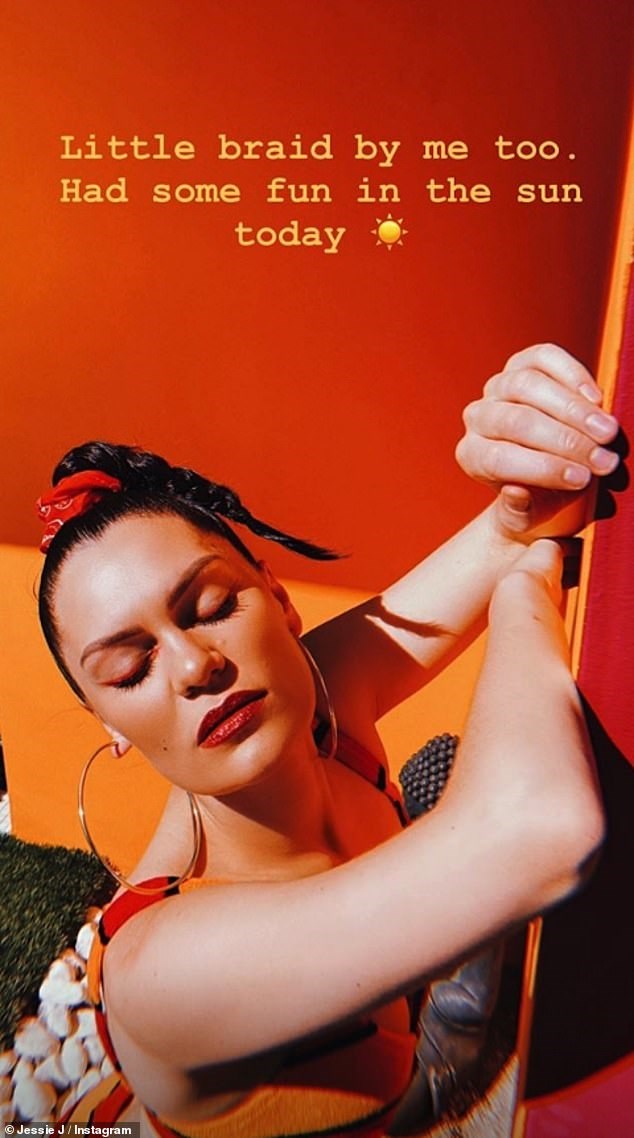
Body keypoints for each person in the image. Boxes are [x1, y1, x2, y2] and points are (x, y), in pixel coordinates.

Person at [35, 344, 619, 1137]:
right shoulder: (161, 973)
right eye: (131, 669)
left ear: (278, 599)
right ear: (106, 722)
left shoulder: (315, 703)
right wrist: (525, 582)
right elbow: (541, 831)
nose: (196, 666)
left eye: (211, 607)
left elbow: (520, 526)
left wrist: (532, 441)